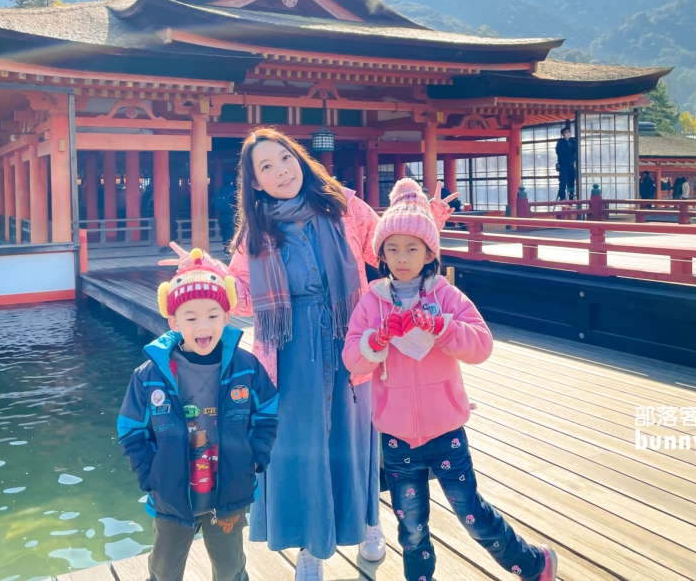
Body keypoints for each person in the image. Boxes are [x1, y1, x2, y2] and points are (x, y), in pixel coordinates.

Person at [226, 129, 454, 581]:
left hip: (353, 337)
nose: (280, 171)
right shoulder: (255, 233)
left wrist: (424, 220)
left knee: (355, 436)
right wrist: (213, 279)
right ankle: (311, 545)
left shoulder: (342, 203)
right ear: (254, 183)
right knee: (300, 445)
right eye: (265, 167)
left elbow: (384, 243)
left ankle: (368, 520)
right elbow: (244, 297)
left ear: (300, 158)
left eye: (284, 158)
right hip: (290, 350)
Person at [342, 178, 559, 581]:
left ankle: (532, 563)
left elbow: (481, 346)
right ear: (381, 253)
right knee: (411, 529)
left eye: (412, 248)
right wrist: (377, 339)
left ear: (430, 252)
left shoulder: (445, 296)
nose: (402, 257)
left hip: (446, 430)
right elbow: (353, 359)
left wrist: (442, 329)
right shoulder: (372, 301)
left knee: (471, 512)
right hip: (396, 436)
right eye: (392, 248)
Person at [117, 248, 279, 581]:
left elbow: (267, 413)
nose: (202, 326)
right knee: (163, 572)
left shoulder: (246, 367)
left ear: (227, 315)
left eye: (212, 315)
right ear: (173, 321)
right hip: (173, 499)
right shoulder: (149, 375)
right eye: (190, 318)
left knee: (231, 569)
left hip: (229, 495)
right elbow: (131, 428)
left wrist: (255, 459)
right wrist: (151, 474)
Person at [215, 175, 238, 252]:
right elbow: (238, 202)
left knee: (224, 232)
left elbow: (213, 202)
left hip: (221, 216)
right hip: (230, 216)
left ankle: (224, 248)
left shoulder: (219, 191)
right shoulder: (233, 190)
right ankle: (229, 249)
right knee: (230, 233)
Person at [554, 127, 577, 200]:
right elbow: (559, 152)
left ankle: (571, 195)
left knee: (571, 179)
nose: (568, 133)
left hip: (571, 163)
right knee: (563, 180)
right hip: (563, 164)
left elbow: (575, 151)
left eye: (568, 132)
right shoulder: (560, 142)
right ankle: (562, 196)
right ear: (563, 134)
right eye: (566, 132)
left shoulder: (572, 141)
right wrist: (568, 150)